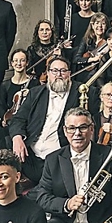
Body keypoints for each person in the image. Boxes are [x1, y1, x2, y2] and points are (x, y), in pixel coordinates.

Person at [10, 56, 83, 185]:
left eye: (63, 71)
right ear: (48, 73)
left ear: (69, 74)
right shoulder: (35, 93)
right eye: (54, 71)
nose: (58, 75)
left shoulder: (82, 93)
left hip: (58, 156)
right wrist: (17, 138)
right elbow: (18, 119)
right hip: (31, 154)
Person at [0, 48, 36, 126]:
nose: (19, 63)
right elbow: (0, 106)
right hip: (10, 123)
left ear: (27, 63)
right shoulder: (5, 85)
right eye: (15, 60)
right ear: (12, 63)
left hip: (27, 123)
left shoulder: (34, 83)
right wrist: (5, 119)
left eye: (22, 60)